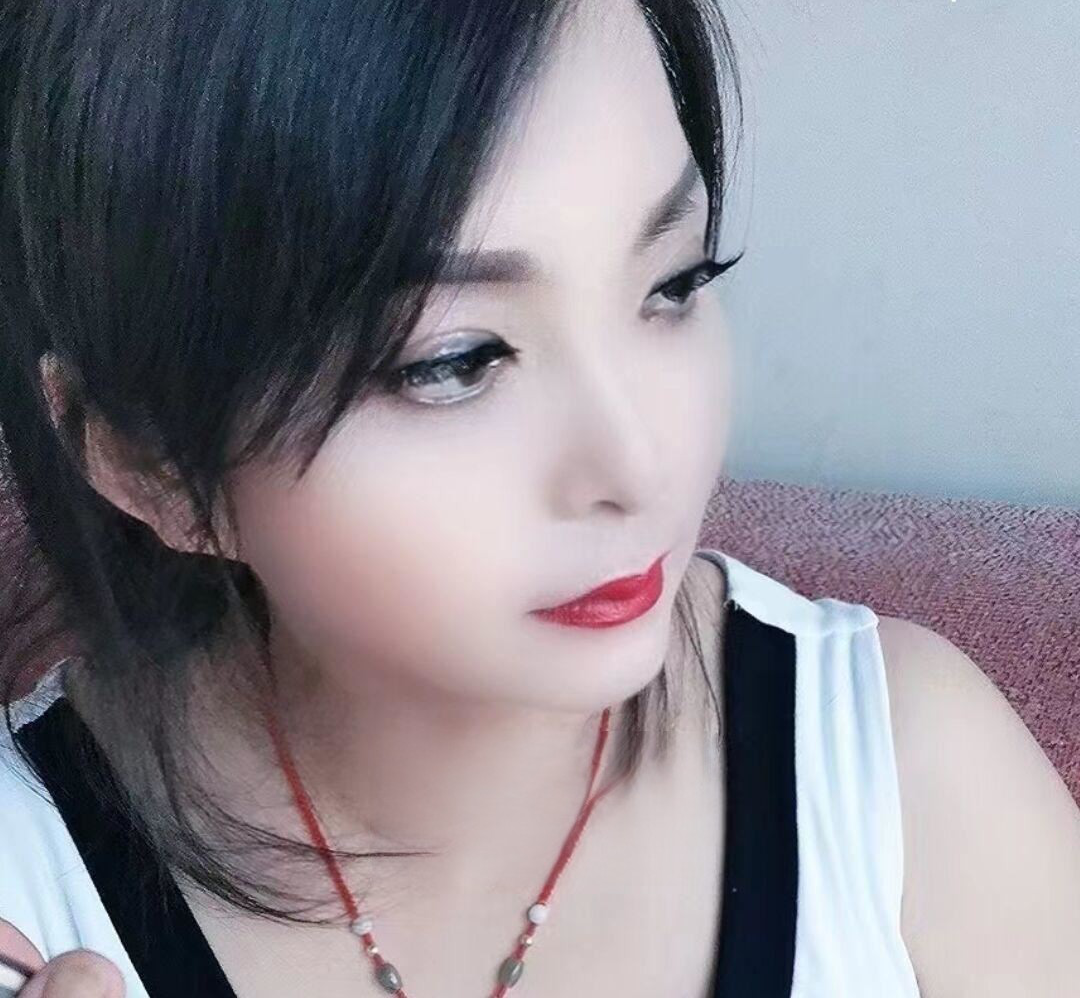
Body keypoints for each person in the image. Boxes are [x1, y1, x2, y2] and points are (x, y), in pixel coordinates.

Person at [0, 0, 1077, 996]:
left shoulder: (909, 775)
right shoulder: (30, 894)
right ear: (146, 463)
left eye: (672, 284)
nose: (640, 468)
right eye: (457, 360)